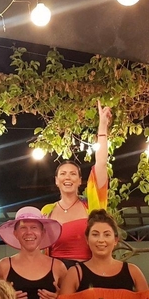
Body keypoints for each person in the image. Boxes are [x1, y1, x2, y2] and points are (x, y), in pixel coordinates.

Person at [41, 102, 111, 264]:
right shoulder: (46, 211)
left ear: (80, 180)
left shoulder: (92, 205)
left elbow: (101, 163)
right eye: (63, 174)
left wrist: (102, 126)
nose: (68, 177)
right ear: (56, 181)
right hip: (56, 274)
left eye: (73, 174)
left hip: (89, 272)